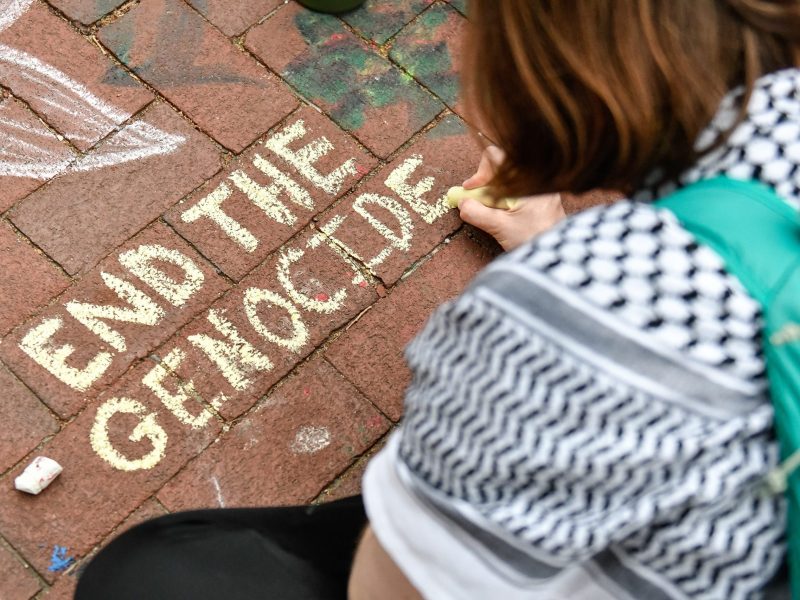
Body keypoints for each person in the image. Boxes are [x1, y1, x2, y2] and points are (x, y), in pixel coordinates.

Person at [76, 1, 800, 598]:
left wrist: (562, 278)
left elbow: (385, 592)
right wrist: (554, 240)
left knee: (149, 580)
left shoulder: (560, 325)